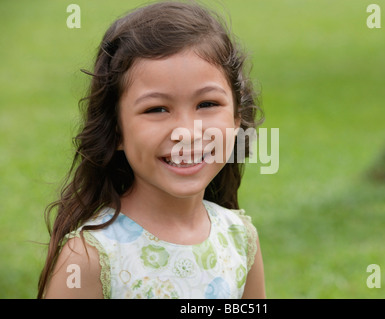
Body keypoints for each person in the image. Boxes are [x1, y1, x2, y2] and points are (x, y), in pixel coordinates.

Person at [38, 1, 265, 299]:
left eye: (207, 104)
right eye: (157, 109)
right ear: (116, 130)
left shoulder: (240, 238)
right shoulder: (90, 257)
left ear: (236, 118)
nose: (186, 132)